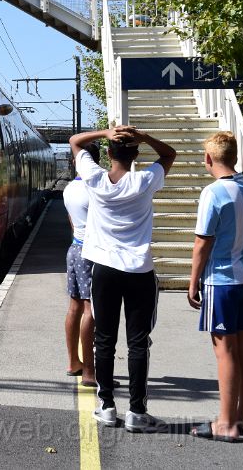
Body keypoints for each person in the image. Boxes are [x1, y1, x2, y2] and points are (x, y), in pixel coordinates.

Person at [68, 125, 175, 433]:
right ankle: (137, 412)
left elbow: (75, 141)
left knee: (104, 339)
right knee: (138, 342)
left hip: (103, 270)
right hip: (139, 271)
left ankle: (105, 406)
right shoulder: (144, 180)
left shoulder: (95, 178)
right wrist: (145, 136)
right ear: (136, 154)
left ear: (110, 154)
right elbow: (169, 153)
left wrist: (105, 133)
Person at [187, 132, 243, 442]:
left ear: (209, 159)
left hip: (221, 281)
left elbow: (202, 243)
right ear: (235, 157)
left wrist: (192, 282)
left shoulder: (212, 193)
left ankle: (226, 424)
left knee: (224, 352)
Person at [63, 141, 100, 386]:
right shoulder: (97, 187)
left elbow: (73, 224)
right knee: (91, 310)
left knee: (75, 307)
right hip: (91, 252)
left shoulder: (69, 189)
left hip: (74, 248)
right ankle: (89, 371)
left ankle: (73, 362)